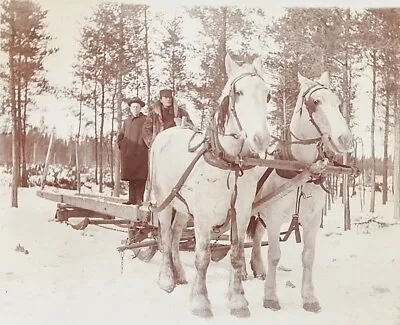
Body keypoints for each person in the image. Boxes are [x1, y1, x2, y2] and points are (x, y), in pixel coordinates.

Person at [117, 97, 148, 205]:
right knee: (131, 177)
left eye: (137, 107)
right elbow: (121, 135)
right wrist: (121, 144)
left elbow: (149, 133)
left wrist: (146, 145)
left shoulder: (145, 119)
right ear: (130, 108)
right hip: (128, 153)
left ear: (140, 108)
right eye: (133, 107)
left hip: (141, 152)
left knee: (140, 177)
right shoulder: (126, 121)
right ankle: (131, 199)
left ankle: (139, 199)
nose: (135, 109)